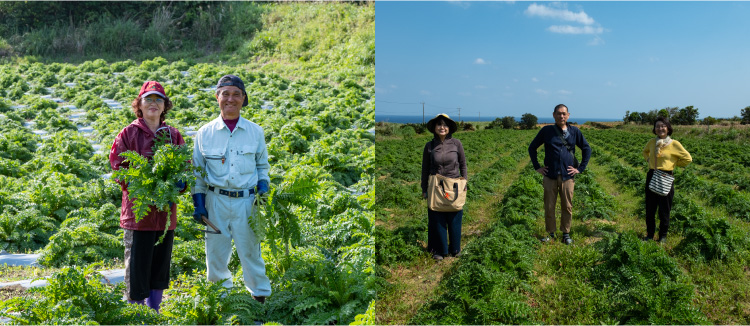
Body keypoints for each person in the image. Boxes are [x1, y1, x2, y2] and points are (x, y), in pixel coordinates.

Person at [191, 74, 271, 302]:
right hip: (215, 202)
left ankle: (259, 298)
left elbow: (262, 166)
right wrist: (199, 203)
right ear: (217, 97)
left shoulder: (255, 131)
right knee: (215, 254)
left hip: (247, 203)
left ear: (244, 99)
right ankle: (222, 299)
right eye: (225, 94)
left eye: (236, 94)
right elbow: (198, 174)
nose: (230, 99)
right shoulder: (204, 133)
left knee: (250, 252)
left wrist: (263, 185)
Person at [110, 81, 186, 312]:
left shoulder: (172, 135)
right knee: (137, 266)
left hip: (164, 214)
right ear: (139, 106)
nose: (153, 104)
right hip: (138, 214)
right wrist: (140, 183)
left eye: (158, 100)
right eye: (148, 99)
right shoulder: (128, 133)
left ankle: (154, 311)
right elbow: (118, 167)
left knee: (159, 265)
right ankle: (137, 312)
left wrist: (179, 182)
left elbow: (184, 166)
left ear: (165, 106)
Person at [528, 104, 591, 245]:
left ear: (568, 115)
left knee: (567, 206)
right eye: (558, 113)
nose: (561, 116)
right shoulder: (546, 131)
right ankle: (551, 233)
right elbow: (532, 147)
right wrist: (537, 167)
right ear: (553, 115)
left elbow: (587, 148)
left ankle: (566, 233)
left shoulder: (574, 131)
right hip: (550, 175)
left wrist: (580, 168)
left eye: (564, 113)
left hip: (567, 176)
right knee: (549, 205)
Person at [421, 113, 467, 261]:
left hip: (453, 184)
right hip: (435, 185)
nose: (442, 127)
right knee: (436, 217)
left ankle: (455, 249)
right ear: (434, 128)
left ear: (449, 128)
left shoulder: (456, 144)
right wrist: (424, 188)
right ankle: (439, 251)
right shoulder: (429, 146)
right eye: (439, 124)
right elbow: (425, 169)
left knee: (454, 215)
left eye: (445, 125)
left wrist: (464, 181)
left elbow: (463, 164)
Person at [642, 117, 692, 243]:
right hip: (652, 175)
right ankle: (650, 235)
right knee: (650, 208)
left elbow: (688, 159)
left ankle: (663, 236)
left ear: (668, 128)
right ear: (654, 129)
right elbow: (645, 152)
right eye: (658, 126)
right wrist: (648, 160)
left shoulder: (674, 144)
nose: (660, 128)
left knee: (664, 209)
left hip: (666, 177)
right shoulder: (652, 142)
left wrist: (674, 164)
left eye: (663, 126)